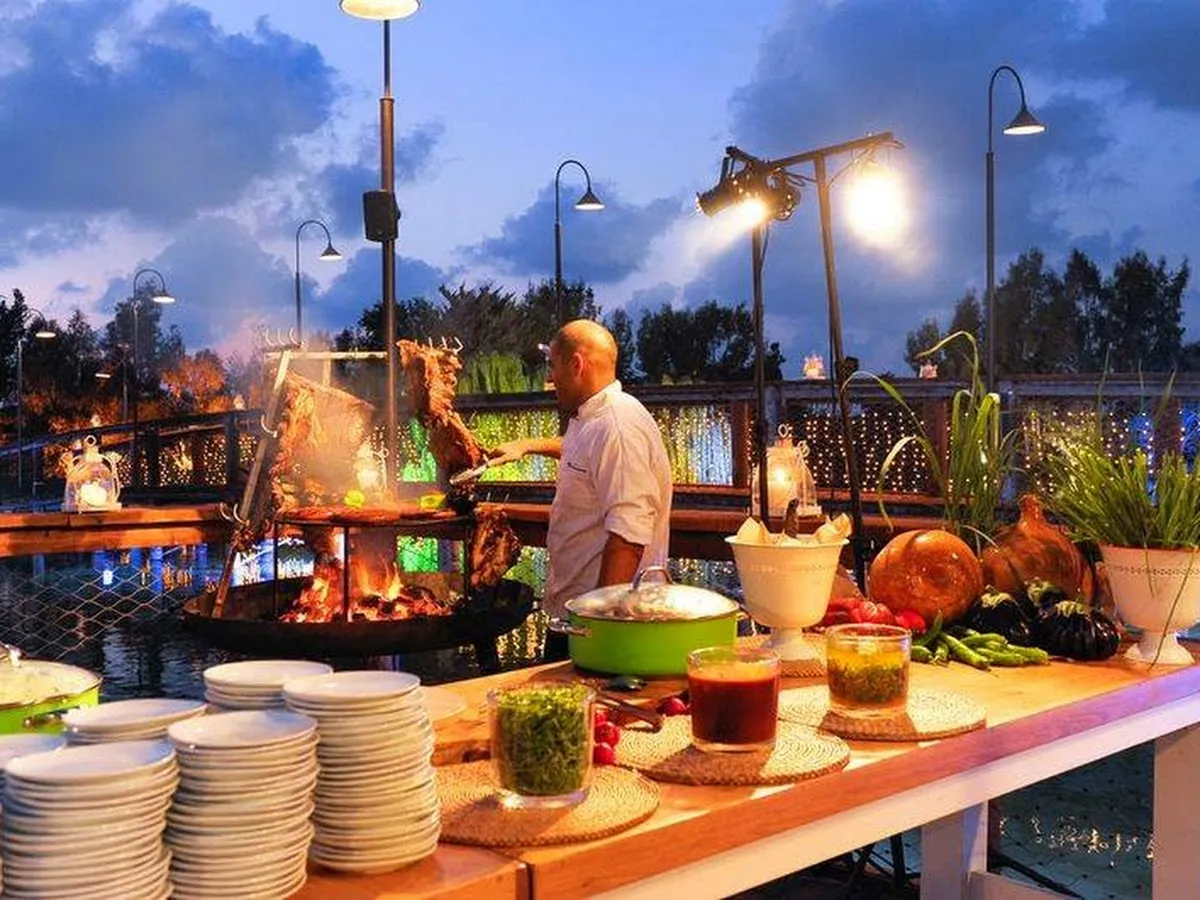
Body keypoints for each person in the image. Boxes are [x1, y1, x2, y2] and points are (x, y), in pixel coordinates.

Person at [491, 319, 673, 661]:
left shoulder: (618, 426)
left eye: (553, 366)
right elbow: (578, 449)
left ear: (576, 364)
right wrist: (526, 445)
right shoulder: (592, 419)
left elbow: (629, 534)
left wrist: (599, 625)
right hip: (575, 616)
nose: (551, 378)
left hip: (608, 625)